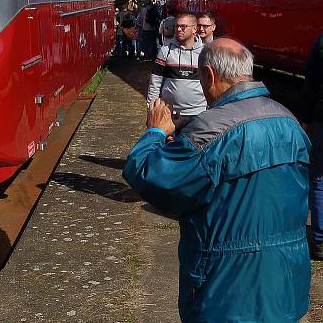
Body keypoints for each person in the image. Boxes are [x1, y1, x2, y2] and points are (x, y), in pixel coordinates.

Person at [123, 38, 311, 322]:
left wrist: (155, 133)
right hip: (285, 283)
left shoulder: (210, 131)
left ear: (209, 74)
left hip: (227, 291)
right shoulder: (289, 121)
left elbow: (149, 176)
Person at [146, 12, 206, 130]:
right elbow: (155, 84)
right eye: (176, 26)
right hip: (170, 113)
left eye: (183, 26)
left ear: (194, 29)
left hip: (199, 114)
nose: (178, 29)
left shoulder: (205, 53)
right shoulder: (165, 51)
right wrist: (151, 112)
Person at [303, 33, 323, 258]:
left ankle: (320, 240)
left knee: (319, 179)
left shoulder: (320, 42)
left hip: (322, 118)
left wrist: (306, 118)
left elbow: (311, 84)